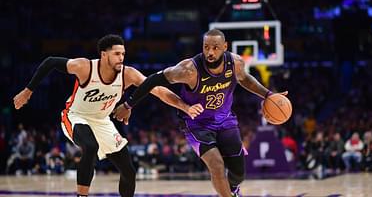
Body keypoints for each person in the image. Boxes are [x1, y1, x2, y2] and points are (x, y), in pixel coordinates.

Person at [13, 34, 203, 197]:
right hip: (75, 116)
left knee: (128, 170)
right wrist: (28, 91)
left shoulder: (128, 74)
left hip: (102, 122)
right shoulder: (85, 67)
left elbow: (158, 90)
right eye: (117, 54)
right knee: (90, 146)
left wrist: (185, 107)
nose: (121, 58)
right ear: (104, 55)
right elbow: (51, 62)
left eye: (123, 54)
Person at [113, 29, 287, 197]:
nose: (210, 52)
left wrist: (268, 94)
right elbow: (153, 80)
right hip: (196, 124)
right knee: (217, 165)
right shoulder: (189, 70)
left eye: (215, 48)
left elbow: (245, 79)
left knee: (238, 174)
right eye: (206, 47)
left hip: (225, 121)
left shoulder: (235, 63)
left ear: (225, 47)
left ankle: (232, 189)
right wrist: (128, 104)